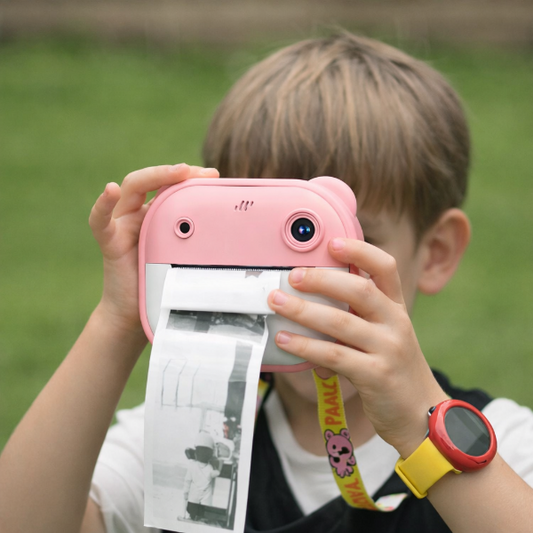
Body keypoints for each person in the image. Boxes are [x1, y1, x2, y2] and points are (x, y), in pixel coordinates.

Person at [0, 32, 532, 533]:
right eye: (257, 240)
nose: (301, 280)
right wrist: (117, 321)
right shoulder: (181, 436)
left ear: (435, 253)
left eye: (338, 235)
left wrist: (425, 428)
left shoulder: (503, 446)